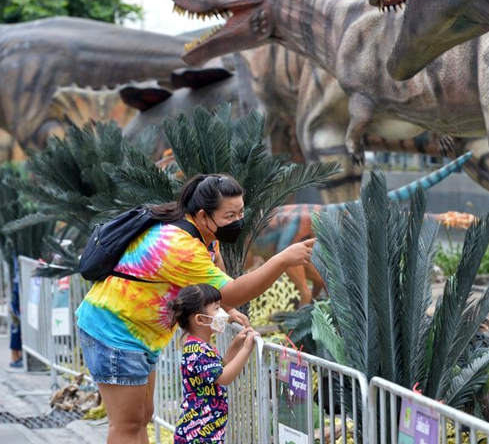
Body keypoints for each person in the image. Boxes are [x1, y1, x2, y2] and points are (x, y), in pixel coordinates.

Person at [75, 173, 314, 444]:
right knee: (126, 425)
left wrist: (225, 309)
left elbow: (216, 278)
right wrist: (281, 260)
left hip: (139, 333)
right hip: (114, 329)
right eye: (230, 215)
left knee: (143, 416)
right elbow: (234, 290)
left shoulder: (205, 234)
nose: (238, 220)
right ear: (203, 215)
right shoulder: (181, 246)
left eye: (241, 211)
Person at [169, 284, 258, 444]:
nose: (223, 314)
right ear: (200, 319)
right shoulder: (197, 351)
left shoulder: (199, 346)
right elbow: (223, 377)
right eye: (217, 308)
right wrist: (246, 349)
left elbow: (218, 368)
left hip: (204, 432)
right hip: (198, 434)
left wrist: (235, 345)